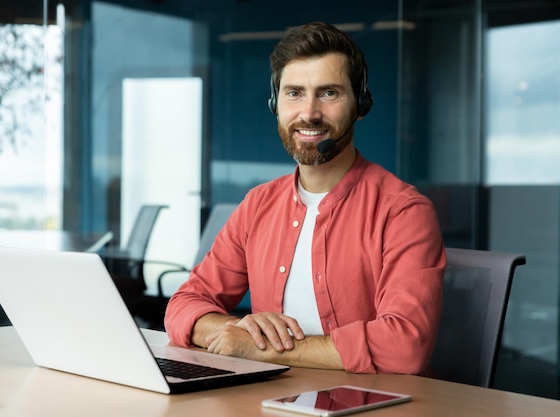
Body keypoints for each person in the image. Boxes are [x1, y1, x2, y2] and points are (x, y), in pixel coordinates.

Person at [164, 21, 445, 375]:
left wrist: (266, 351)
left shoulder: (402, 211)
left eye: (329, 93)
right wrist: (228, 330)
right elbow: (185, 303)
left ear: (360, 104)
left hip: (365, 403)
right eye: (294, 93)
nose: (309, 113)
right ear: (275, 103)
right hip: (271, 398)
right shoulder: (258, 205)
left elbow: (405, 347)